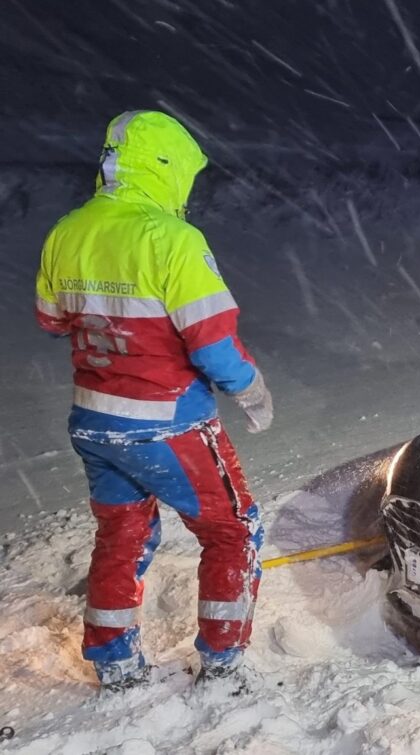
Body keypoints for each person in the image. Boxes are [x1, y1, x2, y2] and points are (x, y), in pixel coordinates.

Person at [34, 111, 273, 692]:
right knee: (235, 530)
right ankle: (223, 666)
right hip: (167, 422)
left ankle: (115, 662)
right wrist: (251, 389)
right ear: (166, 169)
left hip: (94, 417)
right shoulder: (172, 240)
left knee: (124, 534)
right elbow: (213, 343)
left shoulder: (69, 231)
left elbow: (51, 320)